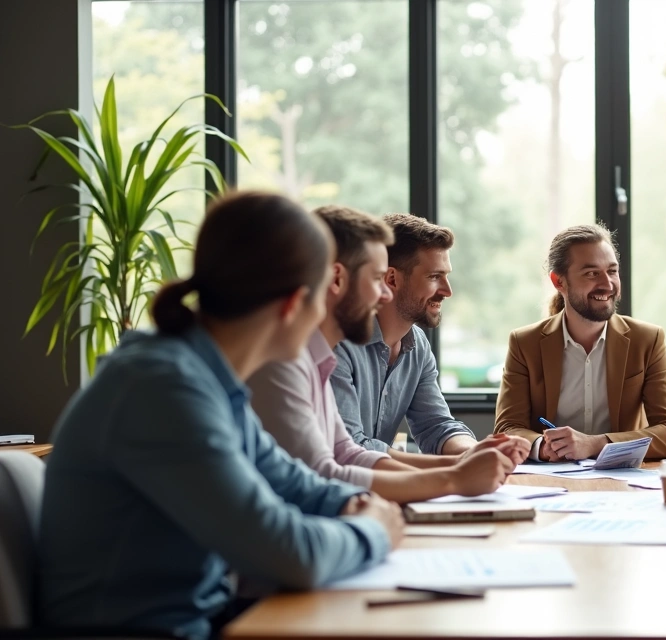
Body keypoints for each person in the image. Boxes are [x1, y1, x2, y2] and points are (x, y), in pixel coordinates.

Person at [38, 192, 403, 640]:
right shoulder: (164, 389)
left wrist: (353, 503)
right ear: (293, 304)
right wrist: (373, 530)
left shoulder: (206, 380)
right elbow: (290, 554)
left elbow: (292, 482)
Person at [247, 205, 520, 503]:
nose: (385, 294)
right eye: (377, 279)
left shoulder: (319, 354)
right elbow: (326, 471)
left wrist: (465, 461)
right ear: (337, 279)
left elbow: (345, 453)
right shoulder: (292, 358)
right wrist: (454, 477)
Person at [333, 213, 526, 464]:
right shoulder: (339, 343)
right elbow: (350, 447)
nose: (447, 291)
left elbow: (436, 425)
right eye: (434, 277)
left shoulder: (418, 345)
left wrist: (476, 451)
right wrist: (456, 467)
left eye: (446, 276)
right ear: (391, 279)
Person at [493, 223, 666, 460]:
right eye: (592, 273)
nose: (607, 284)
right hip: (552, 476)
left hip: (624, 476)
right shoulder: (525, 343)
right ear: (559, 281)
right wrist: (543, 447)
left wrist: (595, 444)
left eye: (612, 271)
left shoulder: (647, 340)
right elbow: (507, 428)